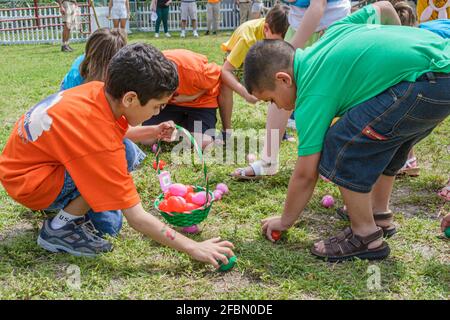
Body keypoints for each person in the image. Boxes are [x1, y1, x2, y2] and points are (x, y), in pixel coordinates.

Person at [244, 2, 450, 261]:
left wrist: (285, 221)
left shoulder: (310, 93)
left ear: (284, 79)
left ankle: (365, 235)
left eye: (271, 100)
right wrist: (398, 46)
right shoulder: (333, 32)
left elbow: (306, 174)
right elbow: (385, 7)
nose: (276, 106)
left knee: (340, 143)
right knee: (385, 139)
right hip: (441, 74)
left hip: (423, 84)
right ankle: (378, 214)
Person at [0, 43, 235, 267]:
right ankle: (58, 229)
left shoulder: (97, 91)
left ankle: (63, 209)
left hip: (26, 170)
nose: (158, 112)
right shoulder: (98, 138)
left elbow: (119, 131)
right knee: (109, 223)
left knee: (120, 173)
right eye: (157, 106)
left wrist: (153, 130)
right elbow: (137, 217)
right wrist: (194, 248)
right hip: (31, 184)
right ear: (130, 98)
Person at [231, 0, 351, 179]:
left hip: (329, 28)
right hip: (300, 26)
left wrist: (291, 50)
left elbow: (318, 6)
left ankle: (337, 161)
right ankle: (268, 160)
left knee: (333, 96)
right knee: (276, 89)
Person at [219, 4, 289, 134]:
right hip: (240, 59)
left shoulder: (279, 33)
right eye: (275, 43)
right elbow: (225, 71)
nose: (278, 46)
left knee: (280, 81)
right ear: (266, 29)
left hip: (262, 55)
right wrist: (245, 93)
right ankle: (226, 131)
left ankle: (280, 130)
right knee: (225, 84)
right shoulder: (247, 39)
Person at [143, 49, 229, 149]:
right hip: (171, 104)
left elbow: (219, 75)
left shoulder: (195, 71)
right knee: (146, 139)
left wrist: (192, 96)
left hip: (200, 103)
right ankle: (183, 126)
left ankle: (182, 130)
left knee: (203, 143)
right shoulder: (149, 72)